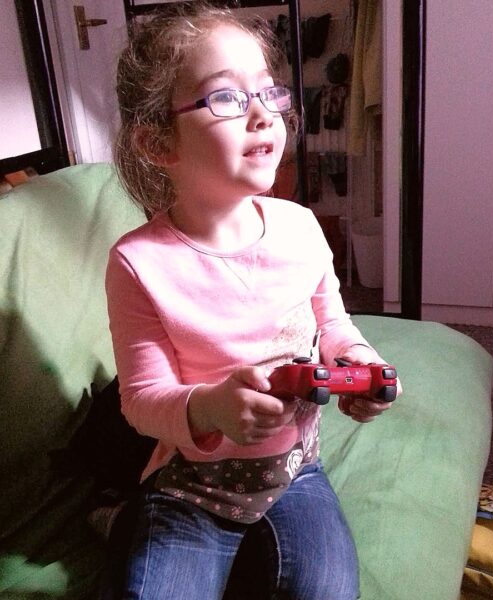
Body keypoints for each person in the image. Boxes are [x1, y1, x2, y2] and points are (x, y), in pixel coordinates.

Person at [105, 3, 399, 599]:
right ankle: (121, 518)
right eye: (227, 98)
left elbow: (334, 324)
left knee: (329, 592)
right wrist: (211, 408)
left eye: (269, 91)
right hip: (192, 482)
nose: (264, 114)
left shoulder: (300, 227)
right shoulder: (138, 262)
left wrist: (361, 363)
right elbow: (140, 400)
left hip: (295, 471)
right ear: (160, 142)